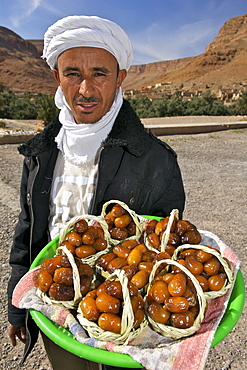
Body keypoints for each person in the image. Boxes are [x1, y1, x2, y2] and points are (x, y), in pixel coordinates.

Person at [7, 15, 185, 370]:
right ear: (57, 77)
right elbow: (29, 229)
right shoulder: (40, 152)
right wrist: (17, 307)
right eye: (72, 73)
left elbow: (168, 247)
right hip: (58, 310)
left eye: (99, 74)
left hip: (126, 318)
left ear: (120, 78)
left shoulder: (156, 160)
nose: (85, 90)